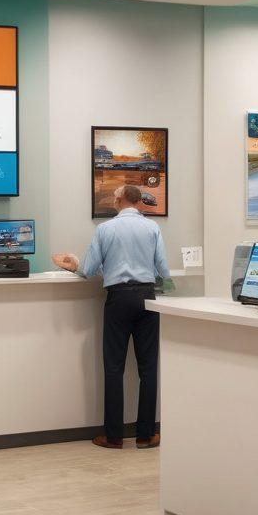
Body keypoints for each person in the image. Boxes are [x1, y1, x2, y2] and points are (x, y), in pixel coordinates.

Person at [52, 184, 170, 450]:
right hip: (148, 297)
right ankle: (146, 434)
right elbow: (163, 267)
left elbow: (89, 269)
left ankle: (114, 436)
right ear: (139, 202)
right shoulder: (152, 228)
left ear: (118, 201)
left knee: (114, 368)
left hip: (118, 299)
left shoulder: (105, 229)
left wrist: (74, 264)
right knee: (148, 368)